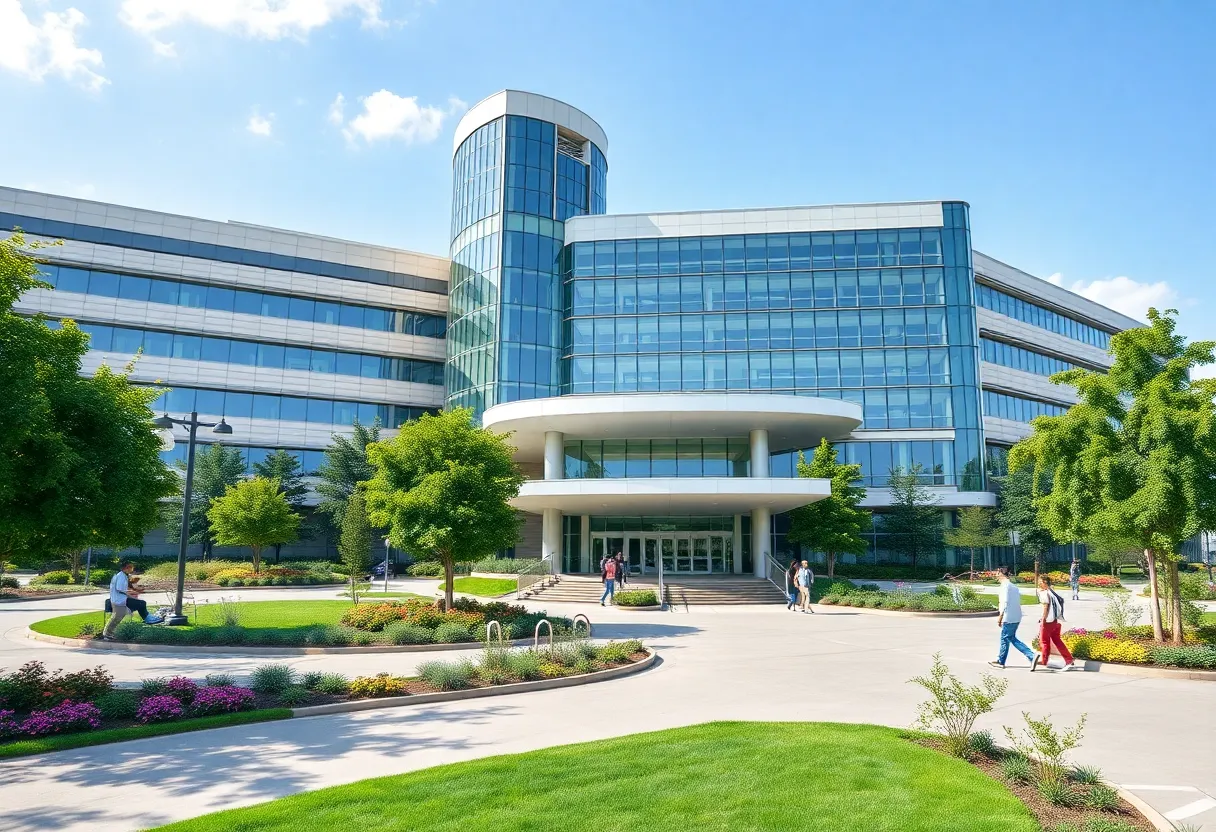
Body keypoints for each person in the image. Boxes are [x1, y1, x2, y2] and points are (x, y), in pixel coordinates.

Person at [989, 566, 1038, 670]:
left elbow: (1004, 601)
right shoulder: (1013, 586)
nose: (996, 575)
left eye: (997, 572)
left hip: (1009, 616)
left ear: (1001, 573)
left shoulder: (1005, 586)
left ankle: (1031, 655)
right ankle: (1001, 660)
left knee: (1007, 637)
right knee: (1007, 638)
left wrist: (1000, 616)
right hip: (1016, 616)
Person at [1038, 575, 1076, 671]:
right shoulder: (1052, 592)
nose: (1039, 584)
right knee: (1057, 641)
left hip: (1048, 622)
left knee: (1044, 641)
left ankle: (1044, 661)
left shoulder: (1044, 593)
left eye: (1040, 582)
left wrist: (1043, 619)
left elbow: (1046, 607)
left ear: (1045, 583)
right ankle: (1069, 659)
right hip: (1055, 621)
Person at [102, 561, 138, 640]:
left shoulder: (123, 575)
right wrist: (130, 593)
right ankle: (107, 633)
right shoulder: (121, 576)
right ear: (125, 568)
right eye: (130, 567)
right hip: (118, 600)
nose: (132, 569)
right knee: (117, 616)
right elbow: (119, 588)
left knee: (119, 615)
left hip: (119, 600)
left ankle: (109, 633)